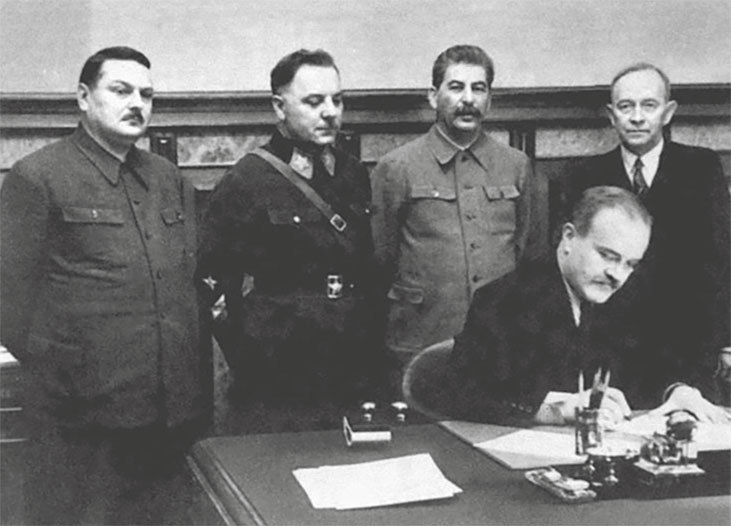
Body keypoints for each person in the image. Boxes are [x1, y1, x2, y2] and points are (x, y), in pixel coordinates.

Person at [0, 47, 205, 523]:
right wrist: (69, 370)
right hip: (79, 423)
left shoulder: (167, 179)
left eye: (146, 95)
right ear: (83, 97)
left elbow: (187, 281)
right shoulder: (39, 178)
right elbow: (8, 301)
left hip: (165, 417)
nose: (137, 104)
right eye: (121, 91)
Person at [409, 186, 728, 426]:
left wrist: (676, 390)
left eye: (630, 264)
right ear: (569, 237)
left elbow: (653, 366)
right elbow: (463, 394)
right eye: (608, 256)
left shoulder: (628, 298)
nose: (617, 275)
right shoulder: (502, 300)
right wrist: (551, 410)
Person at [197, 49, 387, 420]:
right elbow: (214, 286)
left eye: (337, 100)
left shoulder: (352, 173)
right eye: (314, 102)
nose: (330, 112)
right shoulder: (247, 181)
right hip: (280, 369)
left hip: (352, 359)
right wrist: (252, 354)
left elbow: (367, 267)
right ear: (279, 107)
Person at [569, 63, 730, 402]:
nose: (637, 117)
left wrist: (726, 341)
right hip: (609, 347)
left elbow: (723, 257)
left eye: (649, 105)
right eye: (626, 106)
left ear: (668, 112)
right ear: (611, 115)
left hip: (688, 346)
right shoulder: (584, 175)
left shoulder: (700, 168)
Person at [370, 44, 539, 364]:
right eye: (456, 87)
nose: (468, 99)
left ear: (490, 100)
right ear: (434, 96)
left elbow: (527, 250)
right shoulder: (397, 167)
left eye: (479, 88)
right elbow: (382, 258)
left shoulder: (516, 166)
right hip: (422, 336)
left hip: (498, 339)